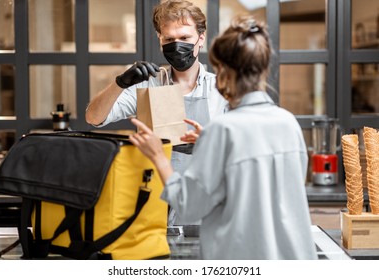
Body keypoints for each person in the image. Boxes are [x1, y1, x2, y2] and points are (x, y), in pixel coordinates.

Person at [128, 15, 318, 259]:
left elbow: (188, 204)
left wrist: (158, 155)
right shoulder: (288, 123)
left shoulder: (224, 130)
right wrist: (209, 140)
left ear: (225, 73)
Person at [85, 0, 227, 226]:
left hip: (208, 206)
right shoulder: (148, 84)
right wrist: (120, 83)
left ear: (201, 38)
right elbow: (94, 118)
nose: (177, 45)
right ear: (160, 39)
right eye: (169, 39)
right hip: (155, 205)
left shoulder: (222, 88)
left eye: (184, 38)